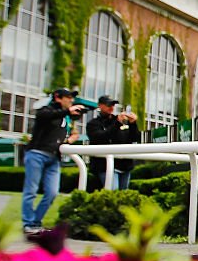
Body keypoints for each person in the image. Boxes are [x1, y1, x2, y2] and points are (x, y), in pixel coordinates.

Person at [22, 88, 83, 235]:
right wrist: (68, 112)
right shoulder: (46, 110)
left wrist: (69, 139)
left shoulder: (65, 117)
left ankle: (35, 222)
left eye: (72, 98)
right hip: (37, 153)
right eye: (68, 97)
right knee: (31, 191)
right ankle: (28, 223)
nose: (71, 101)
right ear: (58, 97)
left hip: (54, 157)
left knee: (52, 192)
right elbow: (47, 115)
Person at [86, 95, 140, 190]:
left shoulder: (121, 120)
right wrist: (117, 123)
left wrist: (133, 124)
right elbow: (101, 137)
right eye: (108, 104)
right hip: (105, 165)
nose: (111, 107)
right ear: (100, 106)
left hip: (124, 164)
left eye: (113, 105)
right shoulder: (93, 124)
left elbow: (134, 138)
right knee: (113, 193)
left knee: (123, 196)